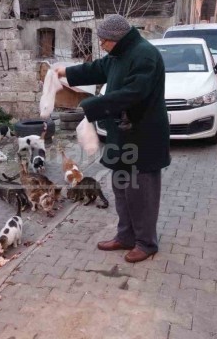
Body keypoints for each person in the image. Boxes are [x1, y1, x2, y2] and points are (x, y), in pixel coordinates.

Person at [55, 14, 170, 263]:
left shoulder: (144, 55)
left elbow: (134, 93)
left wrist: (92, 105)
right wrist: (65, 72)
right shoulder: (119, 54)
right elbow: (98, 68)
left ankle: (146, 243)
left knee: (141, 193)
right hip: (121, 135)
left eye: (104, 41)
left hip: (144, 137)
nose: (102, 45)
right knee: (121, 189)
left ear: (118, 38)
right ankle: (126, 236)